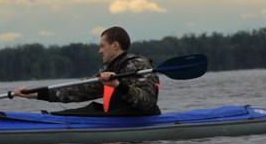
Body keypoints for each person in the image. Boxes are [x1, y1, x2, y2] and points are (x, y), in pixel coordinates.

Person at [13, 26, 161, 116]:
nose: (99, 51)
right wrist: (37, 94)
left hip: (138, 119)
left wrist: (118, 85)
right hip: (117, 117)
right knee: (72, 113)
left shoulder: (140, 66)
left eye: (102, 46)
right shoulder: (109, 69)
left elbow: (147, 102)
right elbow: (79, 90)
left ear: (115, 45)